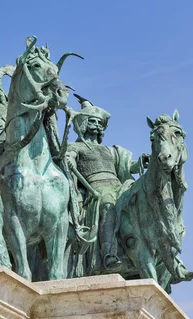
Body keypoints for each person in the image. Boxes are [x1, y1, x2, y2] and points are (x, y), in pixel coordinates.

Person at [64, 95, 145, 272]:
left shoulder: (110, 149)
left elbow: (125, 165)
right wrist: (68, 159)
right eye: (92, 121)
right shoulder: (75, 147)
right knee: (108, 205)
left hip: (119, 185)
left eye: (100, 123)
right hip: (96, 188)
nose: (97, 125)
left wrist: (141, 163)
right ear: (83, 124)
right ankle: (109, 252)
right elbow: (67, 158)